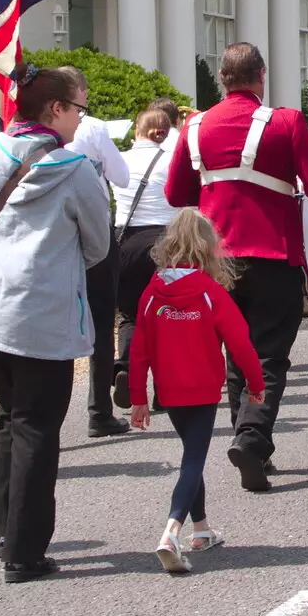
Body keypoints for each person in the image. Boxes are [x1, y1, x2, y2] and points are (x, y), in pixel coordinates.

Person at [0, 63, 112, 584]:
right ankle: (23, 551)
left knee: (11, 413)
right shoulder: (75, 168)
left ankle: (4, 522)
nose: (79, 121)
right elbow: (97, 245)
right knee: (37, 427)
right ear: (56, 109)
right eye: (78, 110)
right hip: (39, 312)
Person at [165, 42, 308, 491]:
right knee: (268, 354)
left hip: (214, 259)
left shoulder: (195, 125)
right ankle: (253, 435)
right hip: (272, 255)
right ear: (261, 75)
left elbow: (174, 193)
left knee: (233, 355)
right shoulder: (285, 121)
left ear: (221, 78)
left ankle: (251, 445)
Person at [128, 209, 264, 574]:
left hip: (168, 390)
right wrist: (256, 383)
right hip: (202, 388)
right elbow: (241, 344)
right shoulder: (210, 292)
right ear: (208, 247)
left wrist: (138, 397)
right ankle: (171, 531)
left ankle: (201, 530)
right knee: (193, 461)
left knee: (192, 454)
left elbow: (137, 349)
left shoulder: (153, 292)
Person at [62, 66, 132, 438]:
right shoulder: (93, 127)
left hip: (52, 233)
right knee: (102, 322)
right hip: (92, 229)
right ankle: (98, 410)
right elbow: (121, 177)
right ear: (82, 94)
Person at [112, 104, 181, 413]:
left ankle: (126, 365)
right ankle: (163, 391)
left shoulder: (121, 160)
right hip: (164, 240)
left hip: (125, 240)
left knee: (129, 313)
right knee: (166, 316)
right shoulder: (171, 160)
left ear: (137, 130)